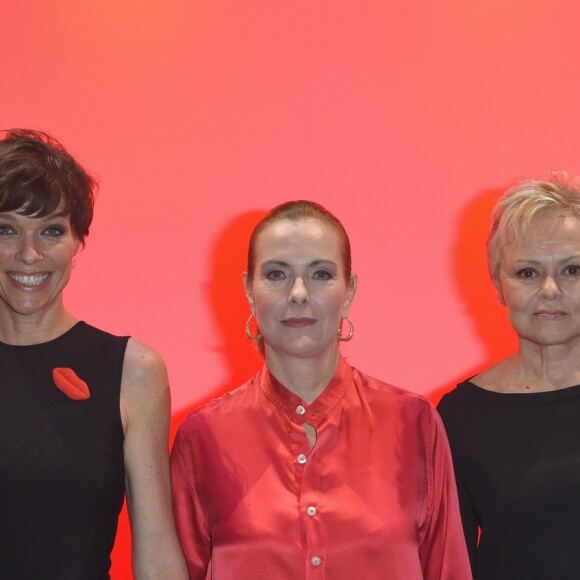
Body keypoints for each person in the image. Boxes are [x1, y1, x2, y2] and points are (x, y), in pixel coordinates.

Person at [171, 200, 471, 579]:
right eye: (277, 274)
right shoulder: (203, 436)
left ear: (349, 290)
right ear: (249, 290)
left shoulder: (414, 423)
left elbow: (449, 570)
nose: (298, 293)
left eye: (321, 274)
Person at [0, 129, 188, 579]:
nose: (30, 254)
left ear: (78, 242)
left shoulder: (131, 371)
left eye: (51, 231)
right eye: (6, 229)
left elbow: (158, 556)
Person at [438, 174, 580, 579]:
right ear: (498, 285)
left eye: (572, 269)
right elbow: (452, 564)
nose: (550, 289)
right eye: (527, 273)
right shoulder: (459, 416)